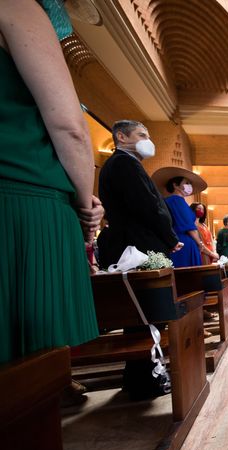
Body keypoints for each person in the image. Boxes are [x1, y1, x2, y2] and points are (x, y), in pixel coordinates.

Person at [1, 0, 103, 364]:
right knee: (31, 375)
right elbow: (68, 127)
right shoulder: (17, 6)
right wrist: (85, 203)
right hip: (23, 204)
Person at [98, 120, 182, 268]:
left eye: (148, 137)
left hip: (136, 241)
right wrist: (170, 238)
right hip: (138, 245)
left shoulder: (122, 162)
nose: (148, 141)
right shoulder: (124, 162)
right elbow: (146, 205)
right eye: (142, 136)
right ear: (121, 137)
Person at [152, 167, 213, 267]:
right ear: (175, 185)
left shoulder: (174, 201)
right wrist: (199, 243)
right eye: (187, 183)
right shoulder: (176, 200)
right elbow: (189, 227)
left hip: (179, 242)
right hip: (184, 245)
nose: (190, 186)